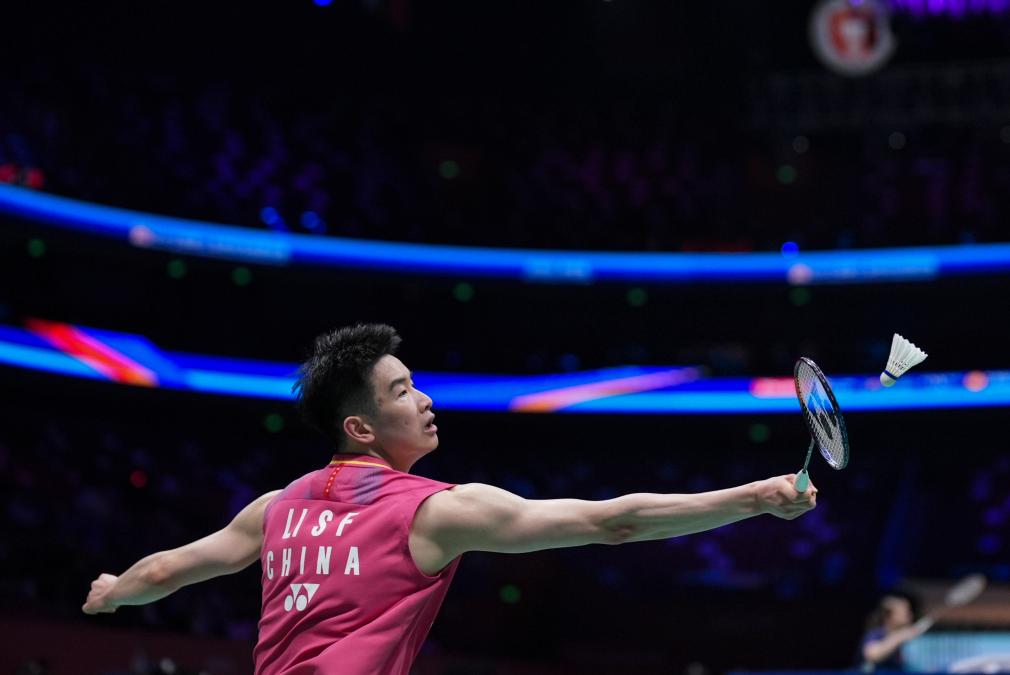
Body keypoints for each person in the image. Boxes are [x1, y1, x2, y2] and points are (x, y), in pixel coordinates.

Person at [83, 324, 819, 674]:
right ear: (360, 426)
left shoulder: (276, 507)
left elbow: (165, 571)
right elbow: (610, 522)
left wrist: (113, 591)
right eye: (403, 390)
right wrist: (751, 498)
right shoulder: (434, 511)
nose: (426, 399)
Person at [859, 592, 932, 672]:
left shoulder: (906, 635)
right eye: (905, 612)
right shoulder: (876, 634)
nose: (910, 616)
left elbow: (919, 628)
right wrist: (899, 637)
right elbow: (871, 655)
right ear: (889, 616)